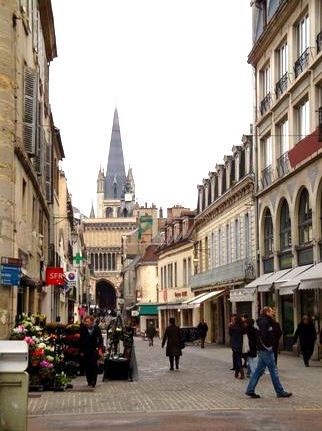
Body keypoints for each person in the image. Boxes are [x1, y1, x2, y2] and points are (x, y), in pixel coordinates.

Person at [246, 306, 292, 399]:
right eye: (271, 311)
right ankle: (280, 391)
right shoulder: (264, 321)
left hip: (263, 349)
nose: (273, 313)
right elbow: (263, 335)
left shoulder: (263, 320)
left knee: (259, 371)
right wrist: (268, 346)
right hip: (266, 350)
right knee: (273, 371)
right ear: (267, 312)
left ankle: (250, 390)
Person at [79, 314, 104, 388]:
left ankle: (94, 381)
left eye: (88, 321)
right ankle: (89, 380)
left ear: (92, 322)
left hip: (94, 350)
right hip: (86, 350)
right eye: (85, 321)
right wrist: (81, 351)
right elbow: (81, 340)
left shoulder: (96, 328)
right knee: (87, 366)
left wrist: (99, 349)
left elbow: (100, 339)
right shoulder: (83, 329)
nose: (86, 323)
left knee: (94, 366)